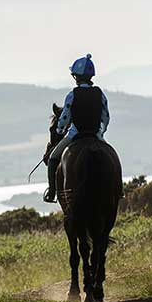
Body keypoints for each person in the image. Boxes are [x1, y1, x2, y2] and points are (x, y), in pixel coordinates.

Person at [44, 54, 110, 203]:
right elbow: (106, 117)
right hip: (95, 135)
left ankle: (51, 193)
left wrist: (60, 131)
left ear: (76, 77)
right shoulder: (100, 94)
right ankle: (119, 190)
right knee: (113, 157)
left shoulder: (72, 95)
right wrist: (101, 132)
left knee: (53, 159)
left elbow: (65, 118)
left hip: (75, 135)